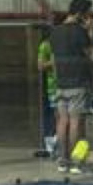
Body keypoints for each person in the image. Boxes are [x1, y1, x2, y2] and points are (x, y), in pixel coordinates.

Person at [50, 0, 93, 175]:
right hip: (78, 81)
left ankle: (63, 161)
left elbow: (53, 59)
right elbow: (92, 56)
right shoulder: (80, 32)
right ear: (81, 14)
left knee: (62, 121)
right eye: (87, 13)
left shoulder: (55, 32)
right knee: (76, 121)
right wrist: (90, 31)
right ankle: (76, 162)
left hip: (61, 82)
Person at [35, 20, 59, 159]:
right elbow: (40, 66)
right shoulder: (45, 46)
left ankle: (57, 144)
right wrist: (54, 62)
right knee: (56, 115)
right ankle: (52, 146)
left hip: (62, 84)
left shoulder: (59, 43)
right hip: (52, 86)